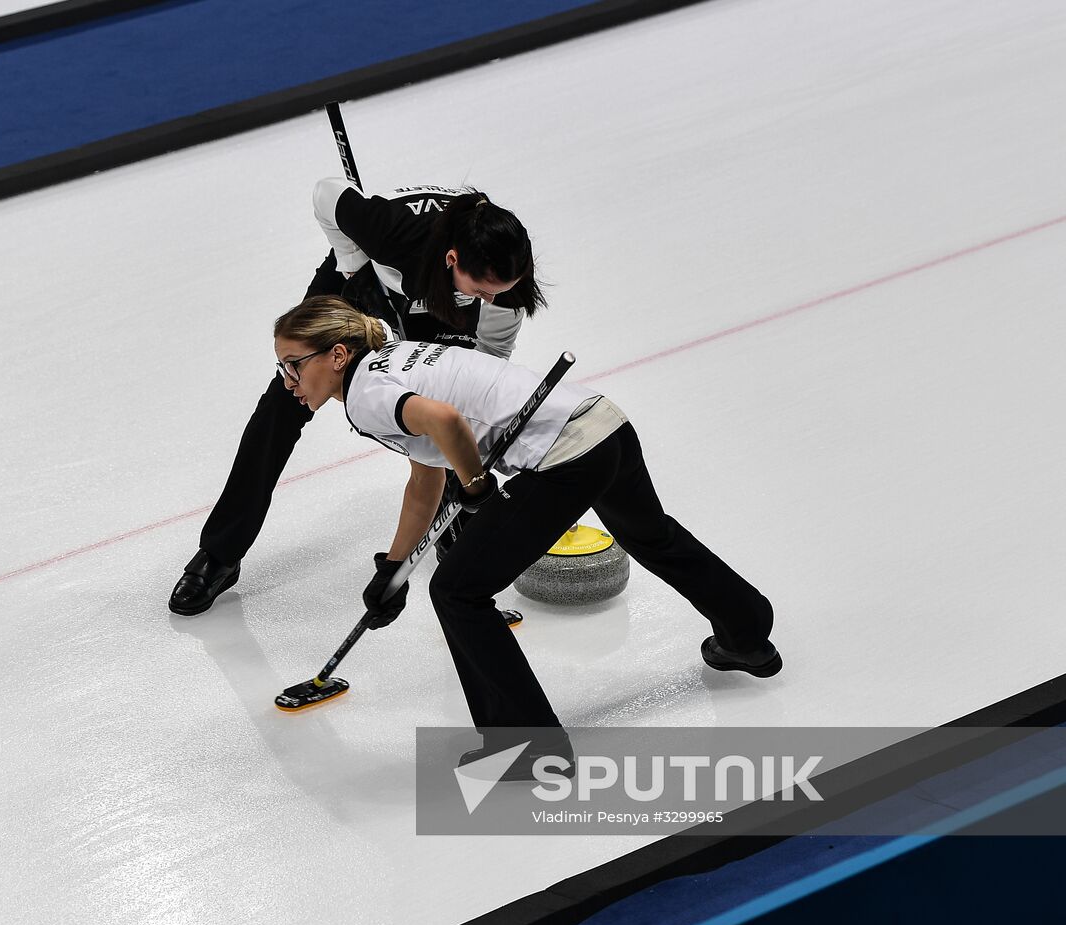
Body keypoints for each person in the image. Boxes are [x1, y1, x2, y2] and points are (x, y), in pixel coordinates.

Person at [272, 296, 781, 779]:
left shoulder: (365, 396)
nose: (288, 380)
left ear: (337, 355)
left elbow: (446, 422)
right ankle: (747, 633)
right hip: (604, 426)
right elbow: (425, 477)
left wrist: (475, 486)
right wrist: (394, 569)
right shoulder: (393, 360)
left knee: (457, 592)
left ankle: (527, 747)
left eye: (294, 365)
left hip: (562, 456)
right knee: (649, 534)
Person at [170, 178, 546, 615]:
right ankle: (220, 552)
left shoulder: (503, 292)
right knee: (285, 401)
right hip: (364, 276)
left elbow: (484, 367)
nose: (493, 297)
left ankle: (454, 518)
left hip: (439, 302)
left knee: (442, 399)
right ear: (452, 258)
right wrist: (354, 268)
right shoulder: (396, 235)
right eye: (483, 289)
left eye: (497, 292)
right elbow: (326, 194)